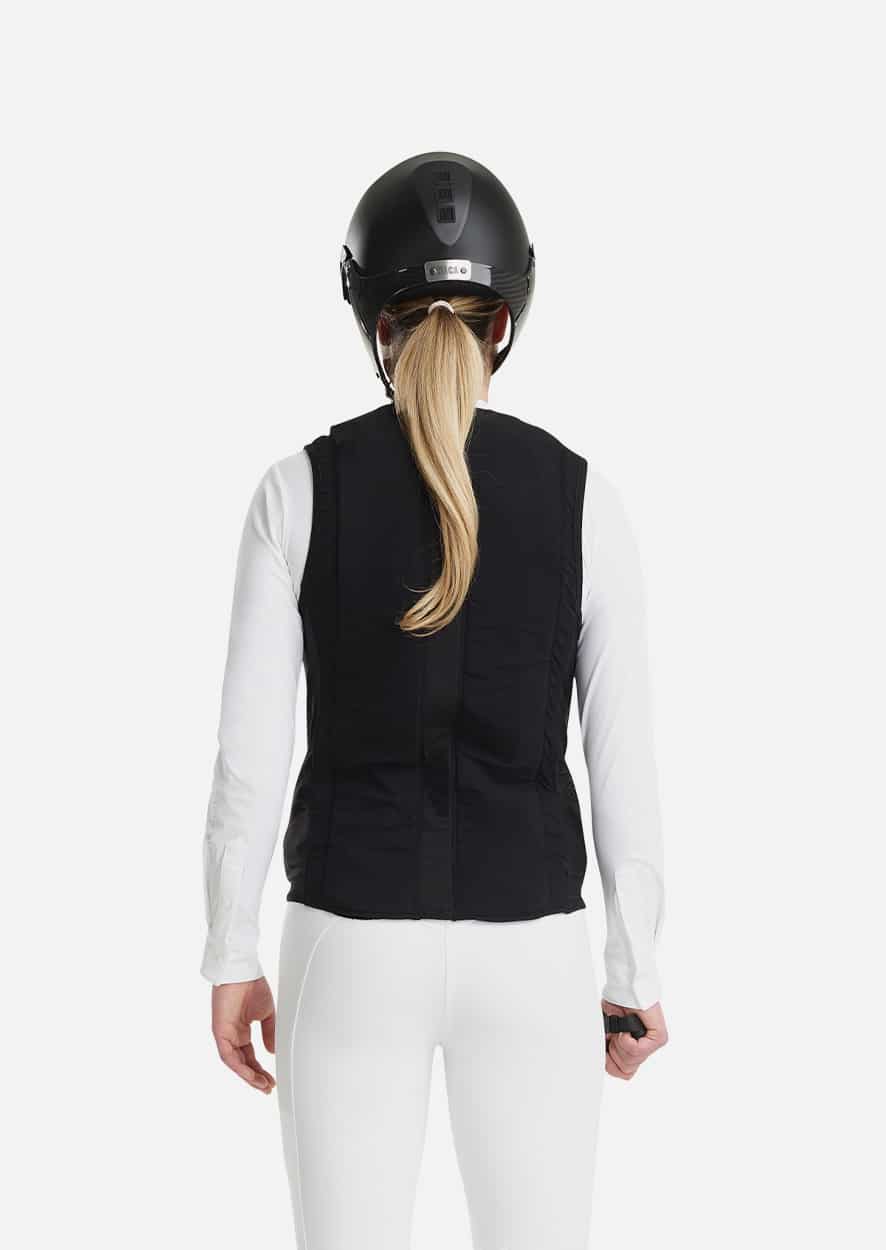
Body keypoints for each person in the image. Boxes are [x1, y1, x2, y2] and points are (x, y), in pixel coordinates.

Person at [200, 151, 668, 1250]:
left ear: (373, 318)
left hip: (348, 941)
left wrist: (230, 950)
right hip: (533, 951)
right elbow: (622, 761)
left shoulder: (295, 492)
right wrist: (633, 967)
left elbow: (247, 759)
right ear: (506, 321)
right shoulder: (585, 499)